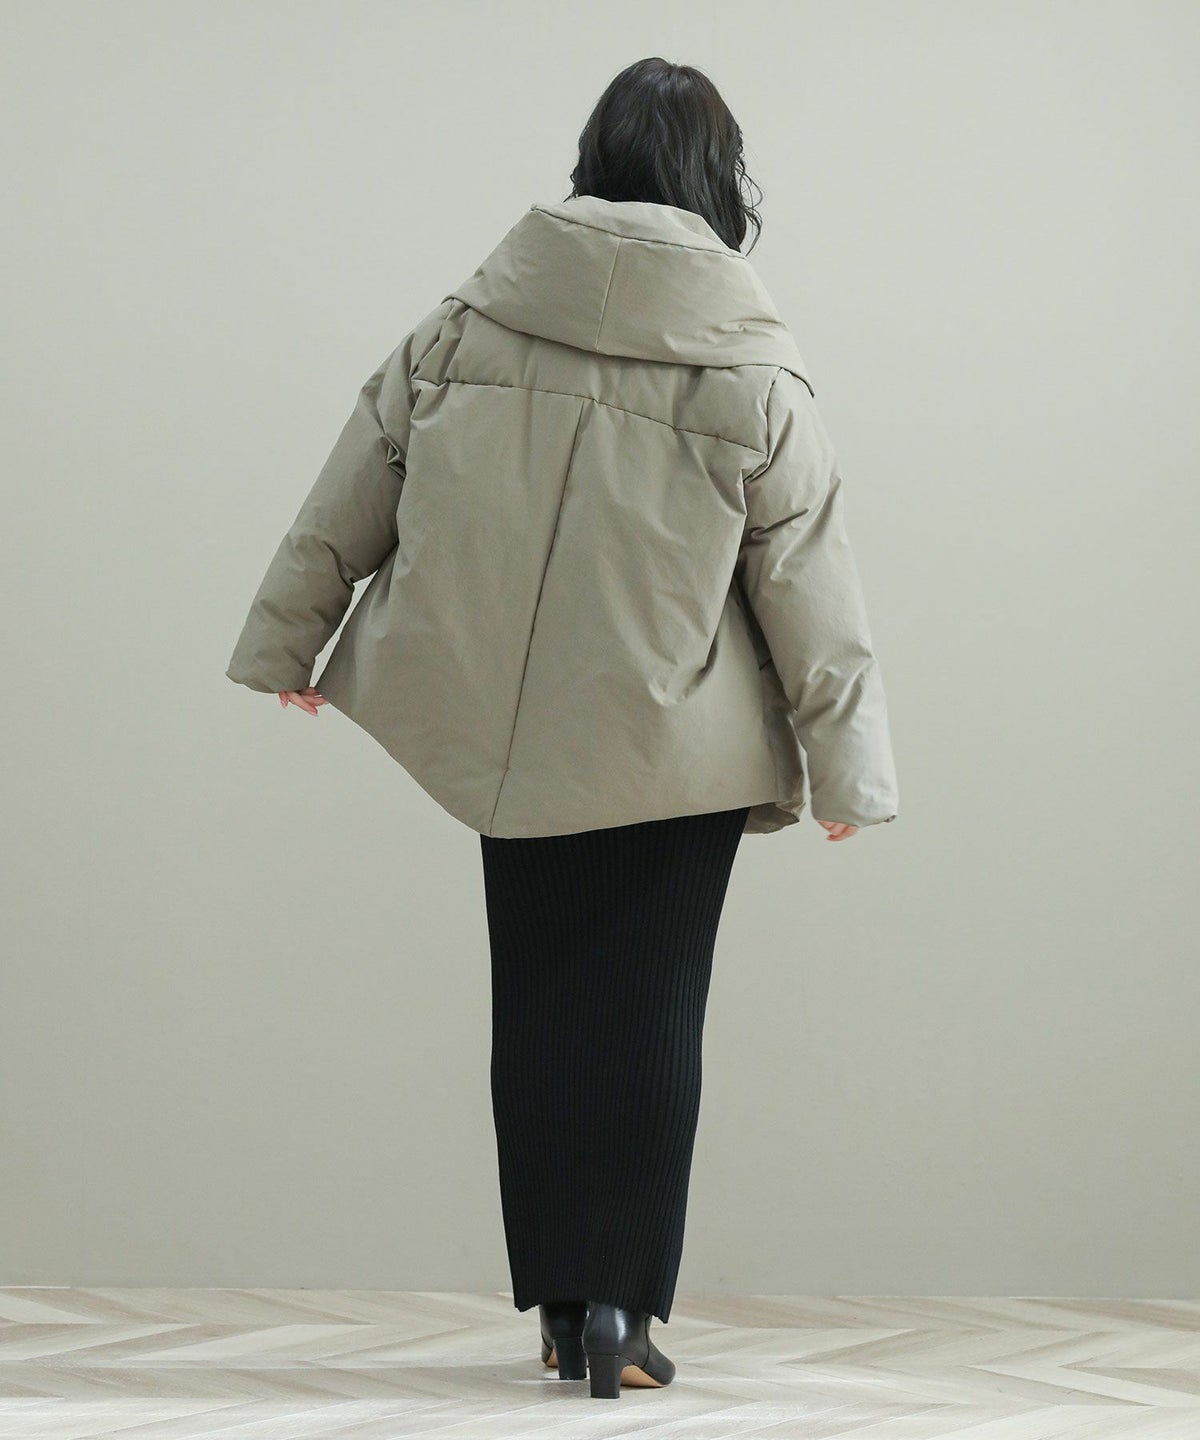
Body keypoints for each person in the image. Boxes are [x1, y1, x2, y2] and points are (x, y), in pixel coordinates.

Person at [225, 56, 899, 1401]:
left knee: (540, 1012)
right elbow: (811, 583)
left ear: (593, 159)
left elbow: (356, 477)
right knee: (652, 1015)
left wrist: (290, 643)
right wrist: (850, 773)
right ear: (718, 179)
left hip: (511, 747)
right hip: (677, 757)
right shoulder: (754, 369)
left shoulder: (469, 325)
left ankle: (559, 1308)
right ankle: (624, 1318)